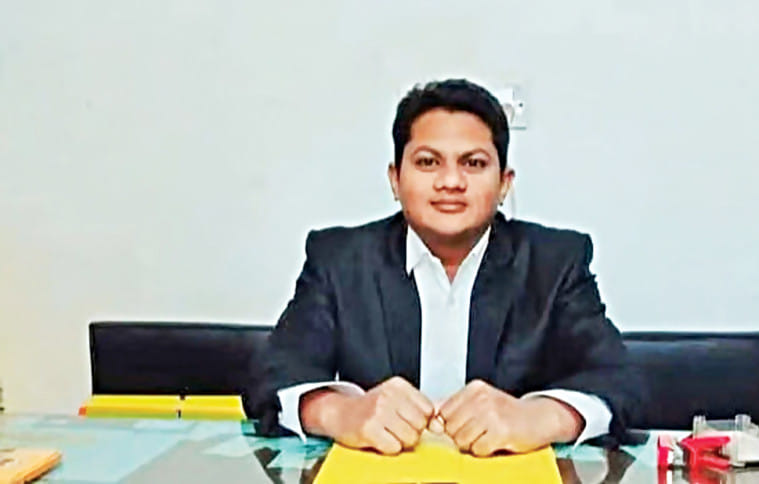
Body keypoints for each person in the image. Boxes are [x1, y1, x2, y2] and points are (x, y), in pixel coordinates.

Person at [243, 79, 643, 456]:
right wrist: (341, 413)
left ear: (505, 183)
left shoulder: (555, 263)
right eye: (428, 162)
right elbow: (270, 380)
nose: (451, 181)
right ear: (395, 179)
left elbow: (622, 384)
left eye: (473, 163)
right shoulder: (339, 259)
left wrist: (538, 418)